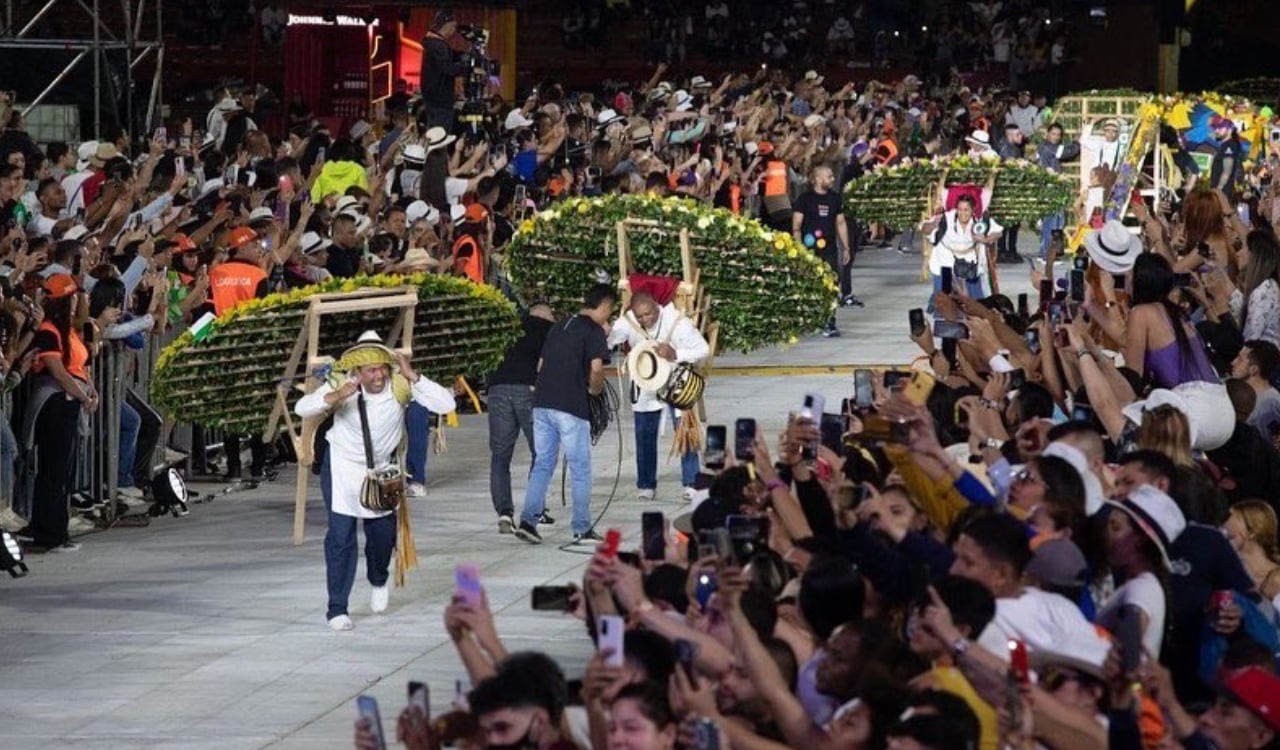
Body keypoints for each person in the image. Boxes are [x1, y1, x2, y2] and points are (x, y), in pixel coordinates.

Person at [294, 331, 455, 631]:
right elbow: (301, 409)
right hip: (342, 468)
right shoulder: (343, 384)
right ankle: (337, 609)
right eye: (371, 370)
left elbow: (446, 404)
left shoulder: (400, 385)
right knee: (340, 538)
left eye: (381, 367)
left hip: (382, 472)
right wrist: (334, 396)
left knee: (382, 537)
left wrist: (413, 375)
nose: (378, 374)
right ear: (358, 372)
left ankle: (379, 578)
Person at [515, 284, 614, 545]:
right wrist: (595, 391)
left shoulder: (559, 326)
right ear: (604, 306)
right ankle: (581, 526)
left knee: (543, 464)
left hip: (542, 404)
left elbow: (540, 365)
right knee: (580, 468)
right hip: (570, 407)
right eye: (609, 311)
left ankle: (528, 521)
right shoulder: (593, 331)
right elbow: (596, 369)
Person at [608, 292, 710, 503]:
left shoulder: (677, 322)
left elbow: (703, 349)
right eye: (640, 316)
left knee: (685, 431)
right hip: (645, 382)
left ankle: (691, 482)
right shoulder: (627, 322)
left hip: (676, 380)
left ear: (657, 307)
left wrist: (676, 354)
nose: (645, 320)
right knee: (644, 433)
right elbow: (608, 340)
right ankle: (646, 485)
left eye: (648, 314)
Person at [22, 274, 97, 552]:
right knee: (53, 473)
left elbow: (79, 367)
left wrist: (91, 390)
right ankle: (50, 534)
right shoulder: (49, 330)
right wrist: (82, 394)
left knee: (63, 472)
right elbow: (57, 370)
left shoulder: (69, 331)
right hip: (55, 405)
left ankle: (56, 529)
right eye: (75, 296)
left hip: (70, 404)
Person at [488, 303, 556, 534]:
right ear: (546, 315)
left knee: (500, 456)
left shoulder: (506, 329)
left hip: (497, 389)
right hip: (527, 390)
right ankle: (536, 508)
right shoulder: (547, 329)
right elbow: (544, 364)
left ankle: (504, 513)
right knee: (541, 451)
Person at [793, 165, 853, 337]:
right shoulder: (804, 199)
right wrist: (799, 249)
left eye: (833, 176)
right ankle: (808, 320)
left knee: (832, 285)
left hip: (830, 250)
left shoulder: (834, 199)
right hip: (808, 251)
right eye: (829, 176)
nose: (833, 179)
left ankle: (830, 322)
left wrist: (846, 247)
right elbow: (796, 225)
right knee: (809, 285)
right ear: (818, 179)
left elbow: (840, 223)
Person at [927, 195, 1002, 304]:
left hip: (971, 268)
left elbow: (998, 232)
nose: (962, 213)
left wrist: (985, 239)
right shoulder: (946, 218)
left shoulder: (980, 220)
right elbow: (925, 228)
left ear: (972, 210)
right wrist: (932, 224)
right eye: (960, 209)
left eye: (966, 210)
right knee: (946, 304)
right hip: (946, 266)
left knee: (976, 305)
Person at [1035, 123, 1080, 259]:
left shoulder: (1042, 147)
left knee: (1050, 222)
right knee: (1052, 223)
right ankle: (1047, 255)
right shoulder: (1049, 148)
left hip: (1047, 189)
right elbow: (1069, 151)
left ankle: (1045, 253)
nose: (1055, 137)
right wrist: (1077, 142)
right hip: (1050, 190)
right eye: (1053, 134)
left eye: (1058, 135)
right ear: (1047, 134)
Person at [1223, 501, 1280, 604]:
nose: (1224, 526)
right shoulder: (1227, 575)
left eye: (1229, 519)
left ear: (1252, 531)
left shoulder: (1277, 580)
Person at [1230, 230, 1280, 348]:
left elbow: (1251, 340)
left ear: (1255, 255)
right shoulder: (1267, 286)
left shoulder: (1264, 290)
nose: (1238, 253)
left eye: (1244, 248)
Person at [420, 10, 468, 132]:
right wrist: (467, 67)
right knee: (440, 135)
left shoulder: (433, 44)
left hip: (433, 98)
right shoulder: (438, 46)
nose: (454, 31)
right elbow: (447, 68)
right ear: (447, 25)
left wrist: (462, 57)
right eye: (453, 26)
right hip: (440, 100)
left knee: (435, 132)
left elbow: (448, 59)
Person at [1231, 341, 1280, 441]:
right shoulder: (1237, 390)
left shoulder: (1270, 403)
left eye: (1240, 359)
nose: (1233, 362)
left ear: (1254, 369)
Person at [1209, 115, 1244, 203]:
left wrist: (1218, 190)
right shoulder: (1226, 145)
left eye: (1220, 128)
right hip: (1220, 192)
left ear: (1229, 130)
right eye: (1215, 128)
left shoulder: (1230, 146)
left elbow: (1227, 172)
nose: (1216, 131)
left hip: (1222, 193)